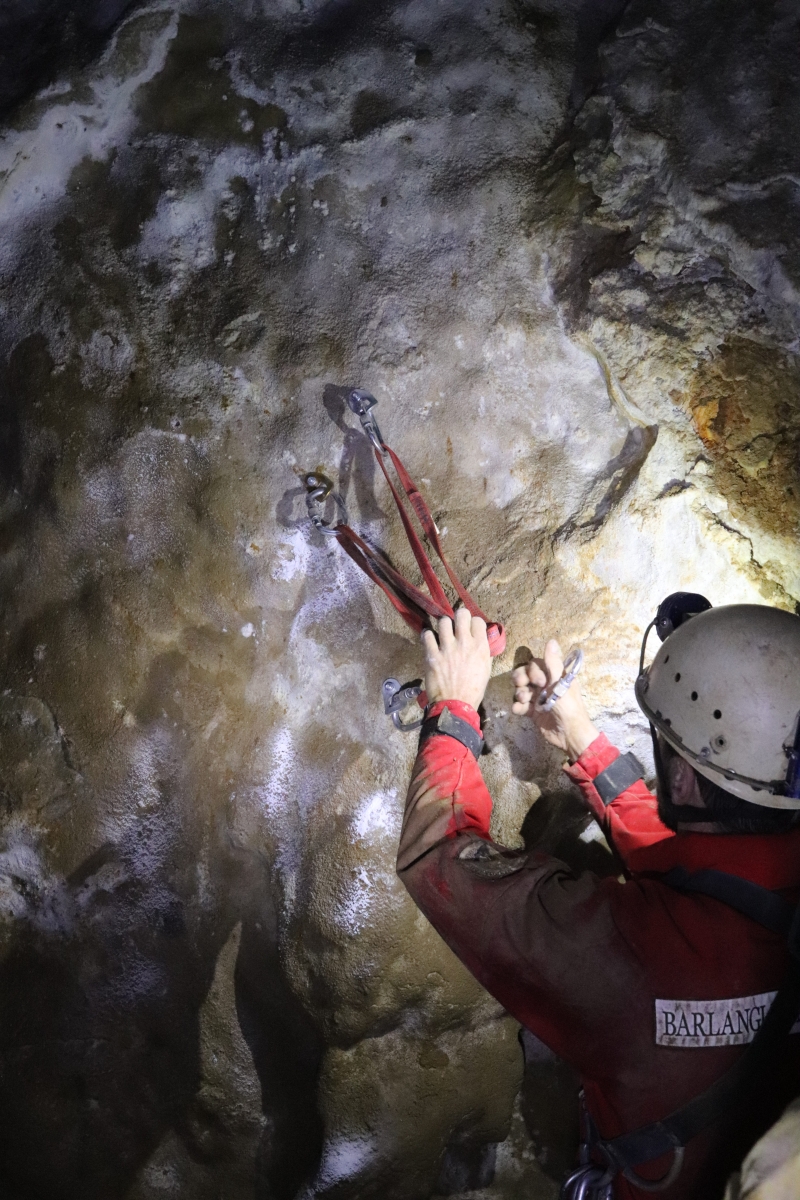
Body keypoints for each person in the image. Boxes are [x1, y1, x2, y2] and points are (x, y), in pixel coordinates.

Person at [396, 599, 800, 1200]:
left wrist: (453, 708)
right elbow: (711, 867)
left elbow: (440, 857)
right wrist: (582, 742)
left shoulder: (638, 958)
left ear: (682, 779)